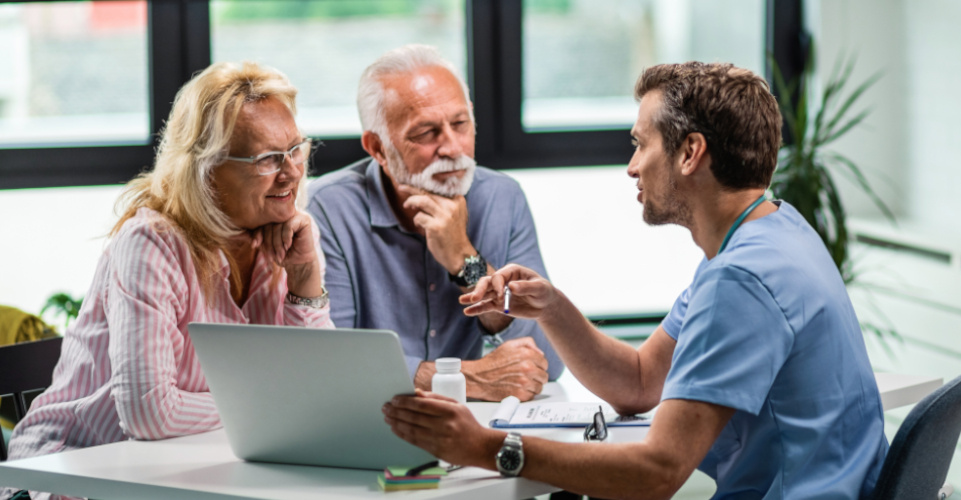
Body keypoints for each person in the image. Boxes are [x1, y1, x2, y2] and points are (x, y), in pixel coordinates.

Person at [381, 62, 889, 499]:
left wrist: (487, 447)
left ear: (690, 153)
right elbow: (641, 381)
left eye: (640, 144)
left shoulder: (741, 279)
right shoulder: (771, 231)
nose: (631, 167)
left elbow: (656, 474)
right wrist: (552, 308)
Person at [4, 62, 332, 499]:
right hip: (69, 477)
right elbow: (149, 413)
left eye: (296, 149)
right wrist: (275, 410)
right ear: (207, 169)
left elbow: (317, 388)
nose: (291, 172)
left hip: (182, 470)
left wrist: (305, 277)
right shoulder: (151, 242)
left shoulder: (283, 235)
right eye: (268, 159)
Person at [308, 45, 562, 402]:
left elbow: (547, 359)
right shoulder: (327, 210)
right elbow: (332, 361)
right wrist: (464, 379)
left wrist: (464, 260)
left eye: (460, 124)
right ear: (378, 148)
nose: (453, 147)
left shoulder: (503, 197)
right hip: (376, 425)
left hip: (480, 426)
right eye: (426, 133)